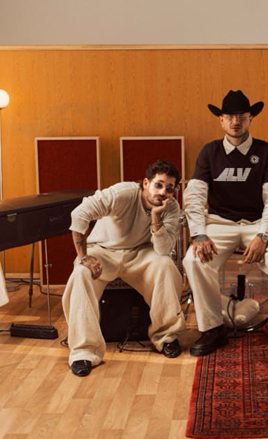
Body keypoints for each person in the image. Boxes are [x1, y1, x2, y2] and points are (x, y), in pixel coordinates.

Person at [182, 90, 268, 370]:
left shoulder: (264, 151)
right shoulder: (209, 152)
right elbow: (194, 196)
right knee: (193, 260)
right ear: (221, 120)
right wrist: (199, 233)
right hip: (219, 223)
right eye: (229, 116)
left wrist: (263, 236)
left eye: (241, 116)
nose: (235, 121)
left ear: (251, 118)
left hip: (256, 224)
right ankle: (213, 328)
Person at [62, 159, 187, 377]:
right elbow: (79, 214)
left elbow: (163, 249)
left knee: (165, 265)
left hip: (140, 253)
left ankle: (166, 336)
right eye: (158, 185)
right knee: (81, 273)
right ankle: (84, 351)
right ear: (146, 183)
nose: (163, 192)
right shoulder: (122, 193)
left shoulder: (171, 207)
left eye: (169, 188)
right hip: (103, 251)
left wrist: (156, 216)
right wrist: (83, 257)